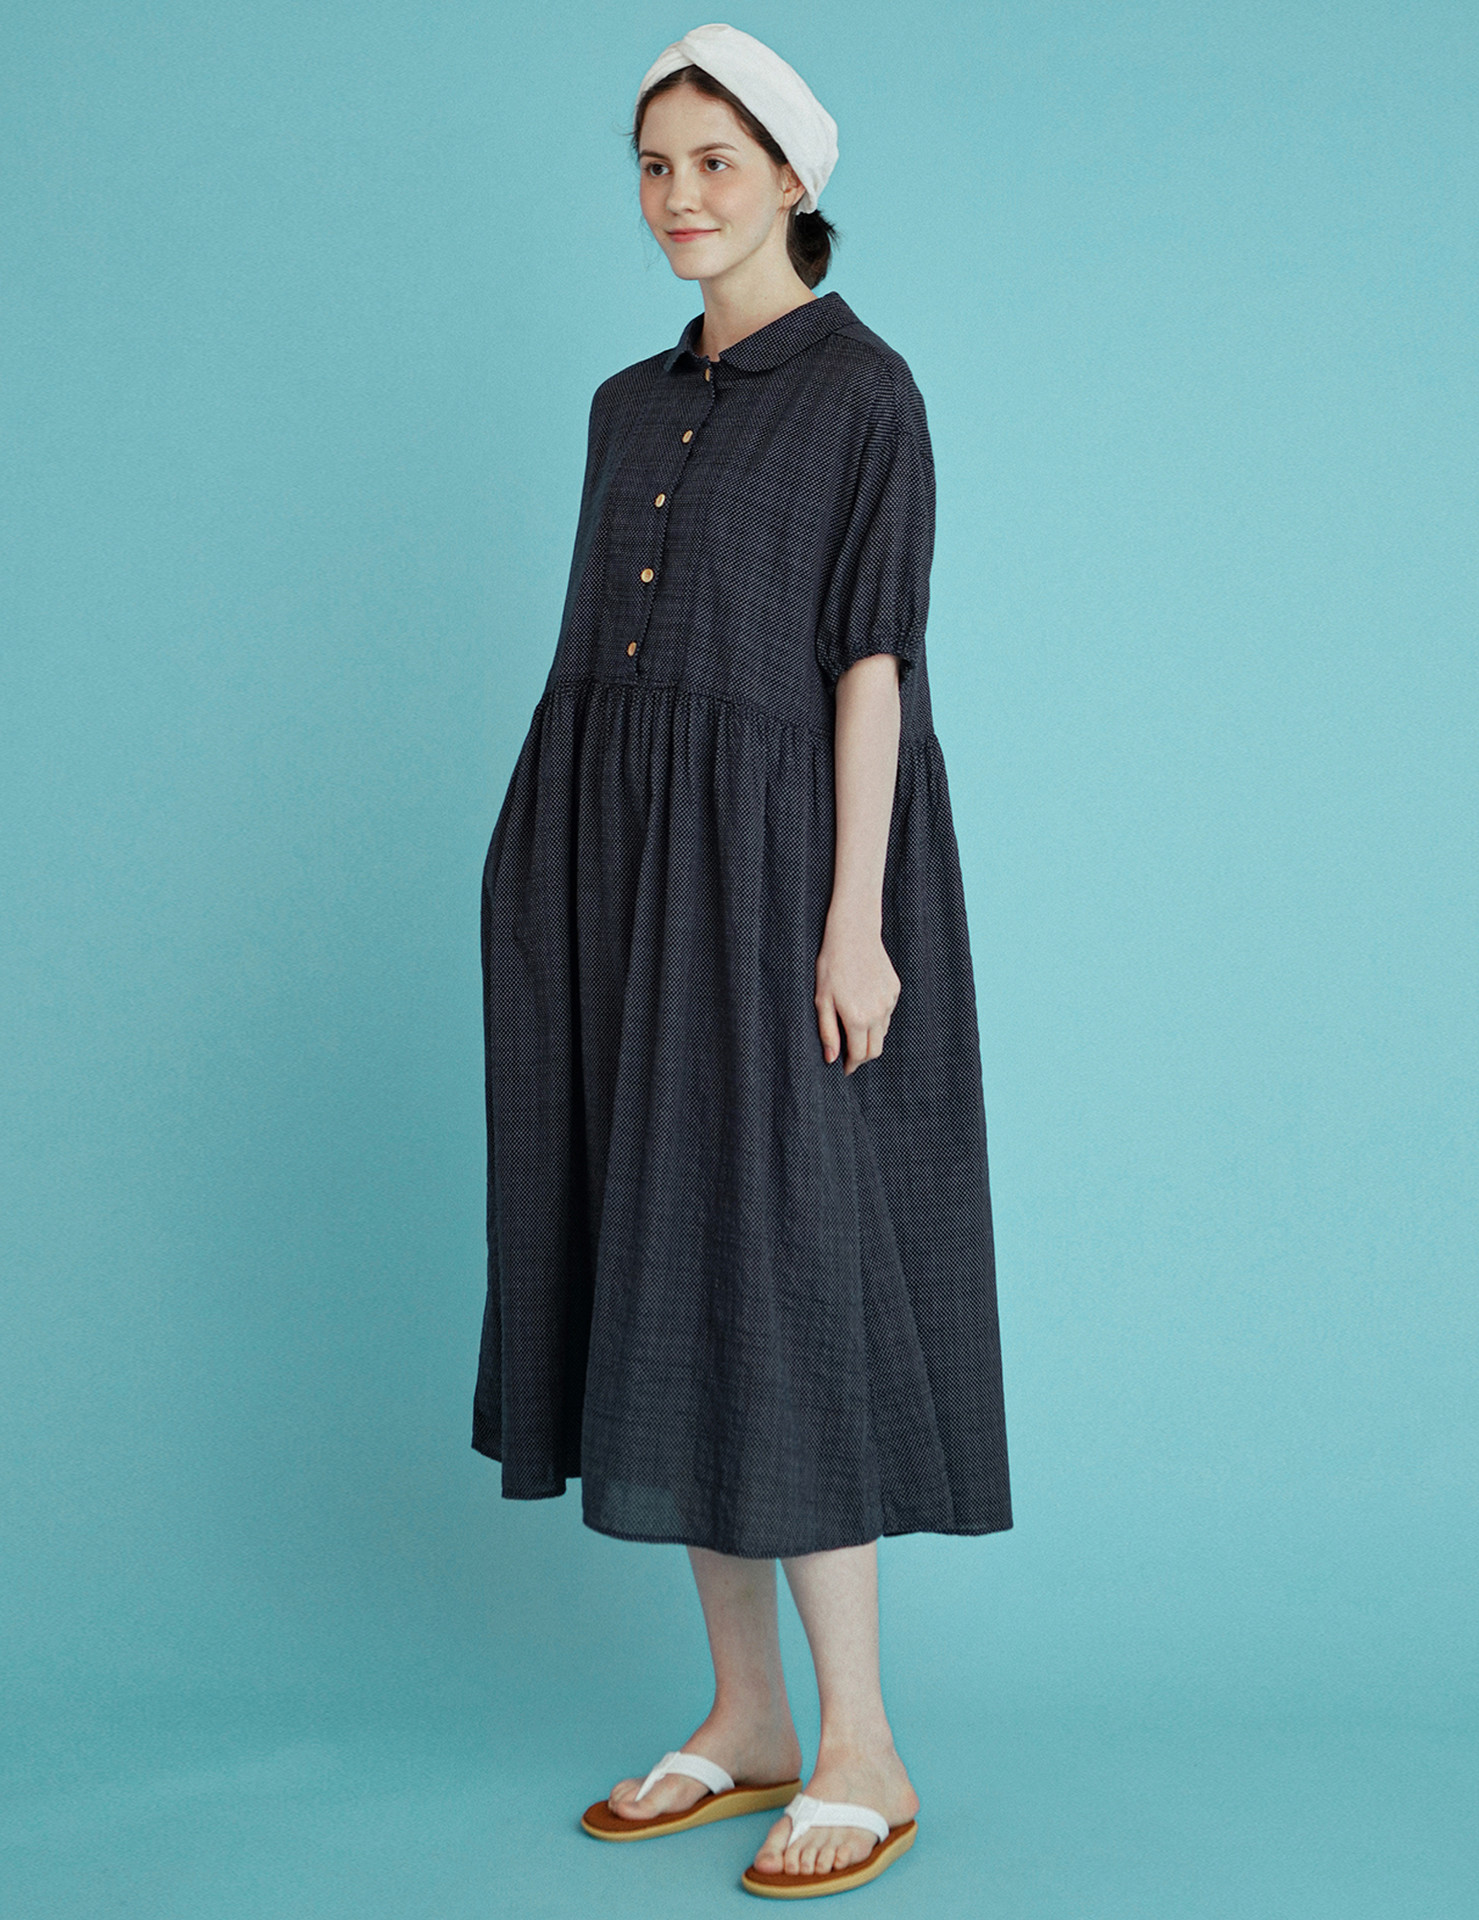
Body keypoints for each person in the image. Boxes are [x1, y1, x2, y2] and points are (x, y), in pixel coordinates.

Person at [474, 23, 1011, 1899]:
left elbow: (872, 670)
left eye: (715, 161)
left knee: (782, 1271)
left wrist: (853, 919)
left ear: (791, 177)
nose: (679, 197)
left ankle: (862, 1741)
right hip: (610, 869)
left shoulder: (868, 393)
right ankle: (749, 1717)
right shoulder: (623, 406)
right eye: (654, 165)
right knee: (661, 1260)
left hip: (780, 874)